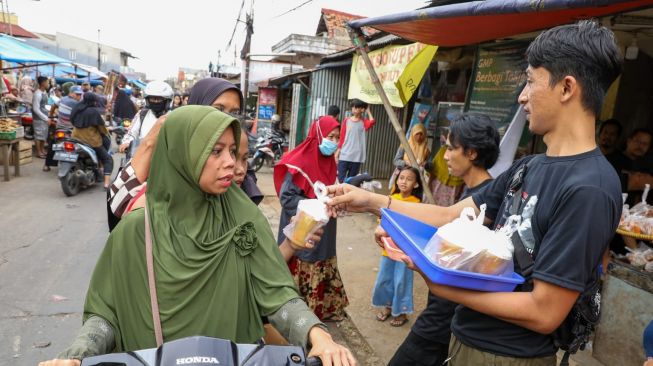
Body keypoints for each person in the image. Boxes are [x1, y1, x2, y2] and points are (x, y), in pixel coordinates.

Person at [326, 20, 623, 366]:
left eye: (529, 80)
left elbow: (545, 312)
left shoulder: (591, 188)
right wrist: (373, 202)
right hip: (466, 340)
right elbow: (453, 216)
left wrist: (441, 283)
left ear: (567, 87)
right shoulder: (528, 167)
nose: (521, 96)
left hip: (509, 357)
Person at [39, 106, 356, 366]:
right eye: (215, 151)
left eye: (232, 151)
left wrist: (318, 335)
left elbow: (278, 295)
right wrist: (78, 355)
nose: (231, 162)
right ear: (181, 154)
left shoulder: (243, 218)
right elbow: (105, 316)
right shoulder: (136, 231)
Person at [388, 112, 499, 366]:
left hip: (443, 317)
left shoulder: (485, 201)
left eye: (451, 148)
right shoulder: (472, 195)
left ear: (471, 153)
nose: (445, 155)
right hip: (446, 316)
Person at [274, 115, 348, 322]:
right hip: (303, 226)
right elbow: (286, 197)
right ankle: (299, 314)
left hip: (325, 227)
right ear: (317, 135)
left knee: (322, 257)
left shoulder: (329, 163)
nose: (332, 142)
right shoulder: (300, 161)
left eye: (336, 137)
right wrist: (316, 205)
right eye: (329, 136)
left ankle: (322, 310)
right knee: (304, 257)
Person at [373, 166, 422, 327]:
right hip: (388, 249)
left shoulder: (417, 204)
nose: (404, 181)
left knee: (402, 281)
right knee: (385, 280)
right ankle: (388, 307)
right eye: (401, 177)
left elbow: (416, 226)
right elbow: (382, 220)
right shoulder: (390, 199)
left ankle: (401, 312)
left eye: (409, 179)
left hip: (405, 252)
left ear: (416, 184)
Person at [70, 92, 113, 189]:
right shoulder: (93, 112)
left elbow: (72, 120)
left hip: (75, 138)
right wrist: (107, 130)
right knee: (107, 159)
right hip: (90, 141)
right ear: (93, 101)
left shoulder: (77, 108)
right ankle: (106, 184)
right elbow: (102, 129)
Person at [119, 80, 173, 155]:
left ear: (167, 101)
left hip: (164, 157)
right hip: (141, 155)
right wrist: (126, 142)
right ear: (148, 100)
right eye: (153, 98)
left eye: (159, 99)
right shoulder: (142, 114)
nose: (156, 101)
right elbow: (131, 132)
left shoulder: (173, 117)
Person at [606, 128, 653, 205]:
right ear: (628, 141)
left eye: (645, 144)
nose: (640, 146)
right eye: (637, 141)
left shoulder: (646, 166)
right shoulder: (610, 160)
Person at [335, 98, 375, 182]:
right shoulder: (346, 121)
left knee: (352, 180)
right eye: (353, 107)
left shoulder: (363, 122)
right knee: (340, 179)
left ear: (362, 109)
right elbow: (342, 137)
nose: (354, 109)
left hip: (357, 157)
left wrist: (368, 110)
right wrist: (337, 153)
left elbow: (372, 122)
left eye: (357, 107)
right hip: (345, 155)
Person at [389, 123, 431, 191]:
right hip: (404, 178)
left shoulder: (426, 149)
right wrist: (406, 163)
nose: (419, 136)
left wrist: (425, 164)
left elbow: (429, 164)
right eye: (417, 134)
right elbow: (396, 161)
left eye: (421, 134)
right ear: (412, 133)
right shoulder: (405, 145)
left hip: (417, 180)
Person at [32, 76, 51, 158]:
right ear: (43, 83)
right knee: (38, 135)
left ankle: (42, 150)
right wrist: (46, 118)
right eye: (48, 82)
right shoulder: (37, 94)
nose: (49, 84)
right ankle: (38, 152)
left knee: (44, 135)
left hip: (44, 117)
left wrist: (49, 115)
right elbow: (35, 109)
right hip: (39, 118)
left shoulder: (44, 93)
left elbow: (45, 105)